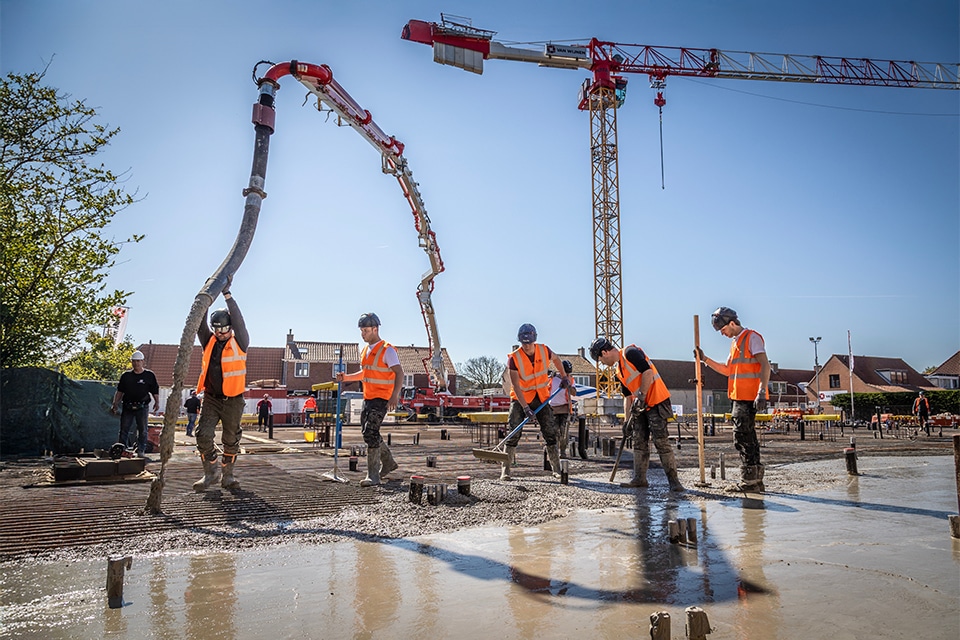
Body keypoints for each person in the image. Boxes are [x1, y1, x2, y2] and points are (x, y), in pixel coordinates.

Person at [589, 338, 684, 492]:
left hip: (656, 401)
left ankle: (674, 482)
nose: (603, 364)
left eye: (600, 360)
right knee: (639, 441)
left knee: (661, 441)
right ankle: (640, 479)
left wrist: (642, 396)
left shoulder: (630, 353)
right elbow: (627, 398)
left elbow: (648, 372)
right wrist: (627, 422)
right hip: (640, 407)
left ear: (604, 353)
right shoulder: (618, 372)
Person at [696, 306, 771, 492]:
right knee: (748, 436)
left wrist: (761, 391)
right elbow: (727, 370)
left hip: (749, 396)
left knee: (742, 436)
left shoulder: (751, 337)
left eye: (723, 330)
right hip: (739, 396)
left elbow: (765, 364)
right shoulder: (735, 343)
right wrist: (705, 359)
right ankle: (754, 481)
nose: (722, 334)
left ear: (732, 323)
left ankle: (749, 482)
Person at [192, 285, 249, 492]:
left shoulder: (240, 341)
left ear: (230, 328)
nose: (220, 333)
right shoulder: (209, 340)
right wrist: (206, 296)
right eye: (216, 329)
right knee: (203, 435)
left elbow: (239, 321)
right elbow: (200, 324)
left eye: (224, 329)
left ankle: (228, 476)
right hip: (211, 398)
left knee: (231, 439)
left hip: (233, 399)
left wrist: (227, 296)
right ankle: (211, 473)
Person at [336, 313, 401, 487]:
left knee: (370, 432)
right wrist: (346, 377)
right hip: (369, 397)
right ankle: (389, 462)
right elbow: (365, 373)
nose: (362, 334)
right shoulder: (365, 351)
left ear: (375, 329)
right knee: (368, 433)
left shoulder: (387, 350)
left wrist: (395, 395)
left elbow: (399, 372)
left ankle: (373, 475)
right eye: (361, 330)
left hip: (382, 397)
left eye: (365, 330)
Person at [501, 323, 570, 481]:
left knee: (550, 432)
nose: (527, 346)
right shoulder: (514, 358)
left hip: (541, 397)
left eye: (529, 343)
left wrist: (564, 376)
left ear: (534, 340)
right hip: (521, 399)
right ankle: (506, 470)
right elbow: (516, 386)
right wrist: (526, 408)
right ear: (520, 341)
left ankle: (556, 469)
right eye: (524, 343)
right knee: (513, 432)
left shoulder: (544, 350)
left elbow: (557, 359)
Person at [111, 350, 160, 457]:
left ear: (142, 362)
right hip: (128, 406)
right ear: (131, 362)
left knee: (143, 430)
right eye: (134, 361)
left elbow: (154, 390)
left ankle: (141, 450)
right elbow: (120, 391)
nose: (136, 363)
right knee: (124, 429)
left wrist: (157, 402)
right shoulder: (126, 376)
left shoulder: (149, 375)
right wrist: (115, 403)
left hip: (142, 406)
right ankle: (121, 450)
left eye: (138, 361)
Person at [549, 360, 575, 458]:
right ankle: (554, 451)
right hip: (552, 408)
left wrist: (568, 385)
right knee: (554, 431)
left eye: (568, 373)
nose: (567, 374)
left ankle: (562, 451)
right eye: (566, 372)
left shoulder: (570, 379)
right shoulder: (553, 378)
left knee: (563, 431)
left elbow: (574, 393)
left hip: (564, 408)